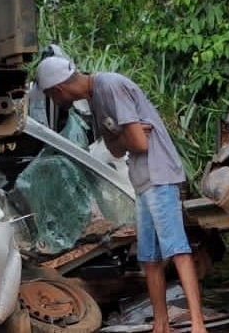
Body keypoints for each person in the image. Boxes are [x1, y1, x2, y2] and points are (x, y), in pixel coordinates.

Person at [35, 56, 207, 333]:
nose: (57, 102)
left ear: (58, 90)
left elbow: (137, 143)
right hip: (141, 180)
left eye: (52, 97)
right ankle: (161, 324)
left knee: (177, 250)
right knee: (149, 258)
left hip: (159, 175)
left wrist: (126, 137)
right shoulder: (95, 100)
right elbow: (120, 147)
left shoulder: (110, 86)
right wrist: (126, 136)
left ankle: (198, 325)